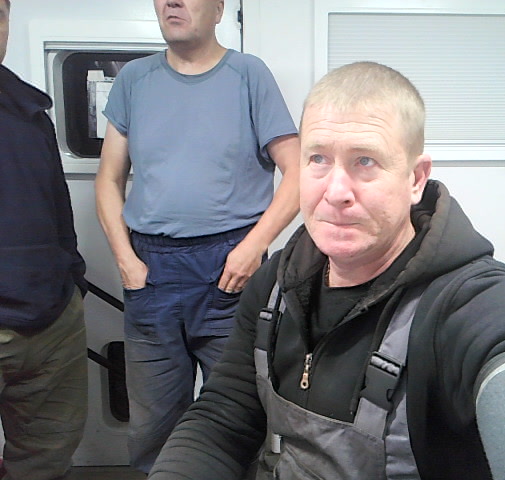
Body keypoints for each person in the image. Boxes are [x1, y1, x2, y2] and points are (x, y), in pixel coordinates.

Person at [147, 61, 505, 480]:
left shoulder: (474, 302)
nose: (335, 191)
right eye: (318, 159)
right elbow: (224, 416)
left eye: (365, 161)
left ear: (416, 178)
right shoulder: (277, 283)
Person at [95, 0, 300, 473]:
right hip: (150, 271)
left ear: (219, 9)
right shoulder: (134, 80)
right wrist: (125, 258)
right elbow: (108, 177)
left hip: (230, 270)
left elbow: (297, 173)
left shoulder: (249, 75)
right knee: (152, 426)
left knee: (235, 419)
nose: (172, 1)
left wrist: (252, 248)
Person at [0, 1, 88, 479]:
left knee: (45, 463)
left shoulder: (30, 111)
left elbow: (58, 209)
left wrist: (72, 279)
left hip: (52, 321)